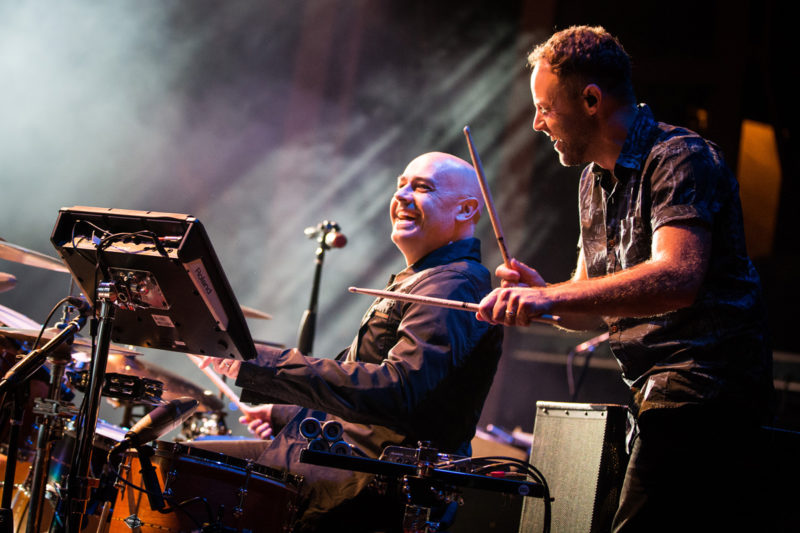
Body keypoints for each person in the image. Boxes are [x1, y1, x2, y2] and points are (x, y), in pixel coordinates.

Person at [476, 26, 774, 533]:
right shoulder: (593, 180)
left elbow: (677, 277)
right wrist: (542, 297)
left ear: (590, 99)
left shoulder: (680, 157)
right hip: (655, 395)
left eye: (545, 108)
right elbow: (589, 306)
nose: (536, 123)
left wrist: (552, 294)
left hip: (707, 389)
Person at [203, 152, 503, 532]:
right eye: (401, 185)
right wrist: (281, 414)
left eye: (423, 187)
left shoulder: (453, 283)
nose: (403, 196)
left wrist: (264, 362)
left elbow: (397, 390)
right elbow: (363, 395)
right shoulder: (423, 277)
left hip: (367, 482)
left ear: (466, 210)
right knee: (178, 462)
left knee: (174, 477)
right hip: (341, 463)